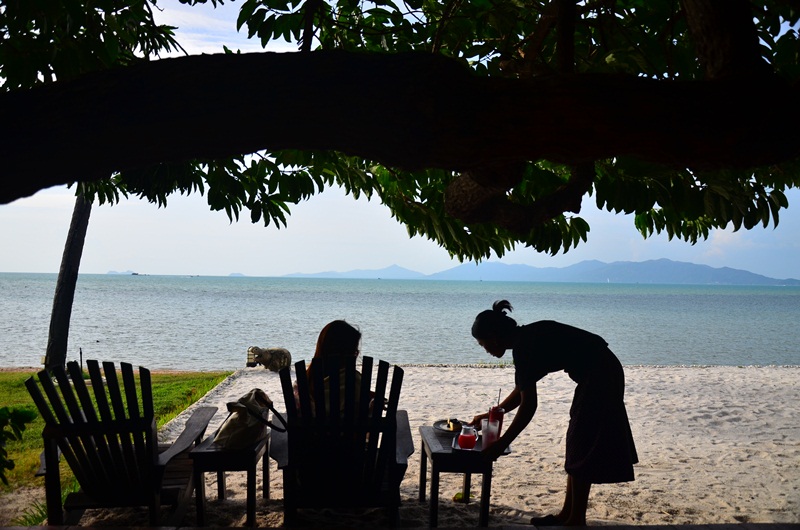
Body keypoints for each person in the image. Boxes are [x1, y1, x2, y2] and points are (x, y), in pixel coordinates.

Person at [469, 300, 638, 526]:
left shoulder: (524, 348)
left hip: (601, 376)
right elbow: (522, 390)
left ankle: (575, 519)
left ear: (494, 337)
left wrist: (502, 443)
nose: (485, 350)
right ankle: (567, 516)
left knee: (581, 443)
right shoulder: (525, 339)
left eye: (483, 344)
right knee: (577, 443)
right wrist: (493, 413)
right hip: (601, 372)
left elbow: (529, 405)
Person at [296, 320, 363, 414]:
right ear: (346, 353)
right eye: (355, 351)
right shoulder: (354, 380)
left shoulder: (303, 383)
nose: (356, 355)